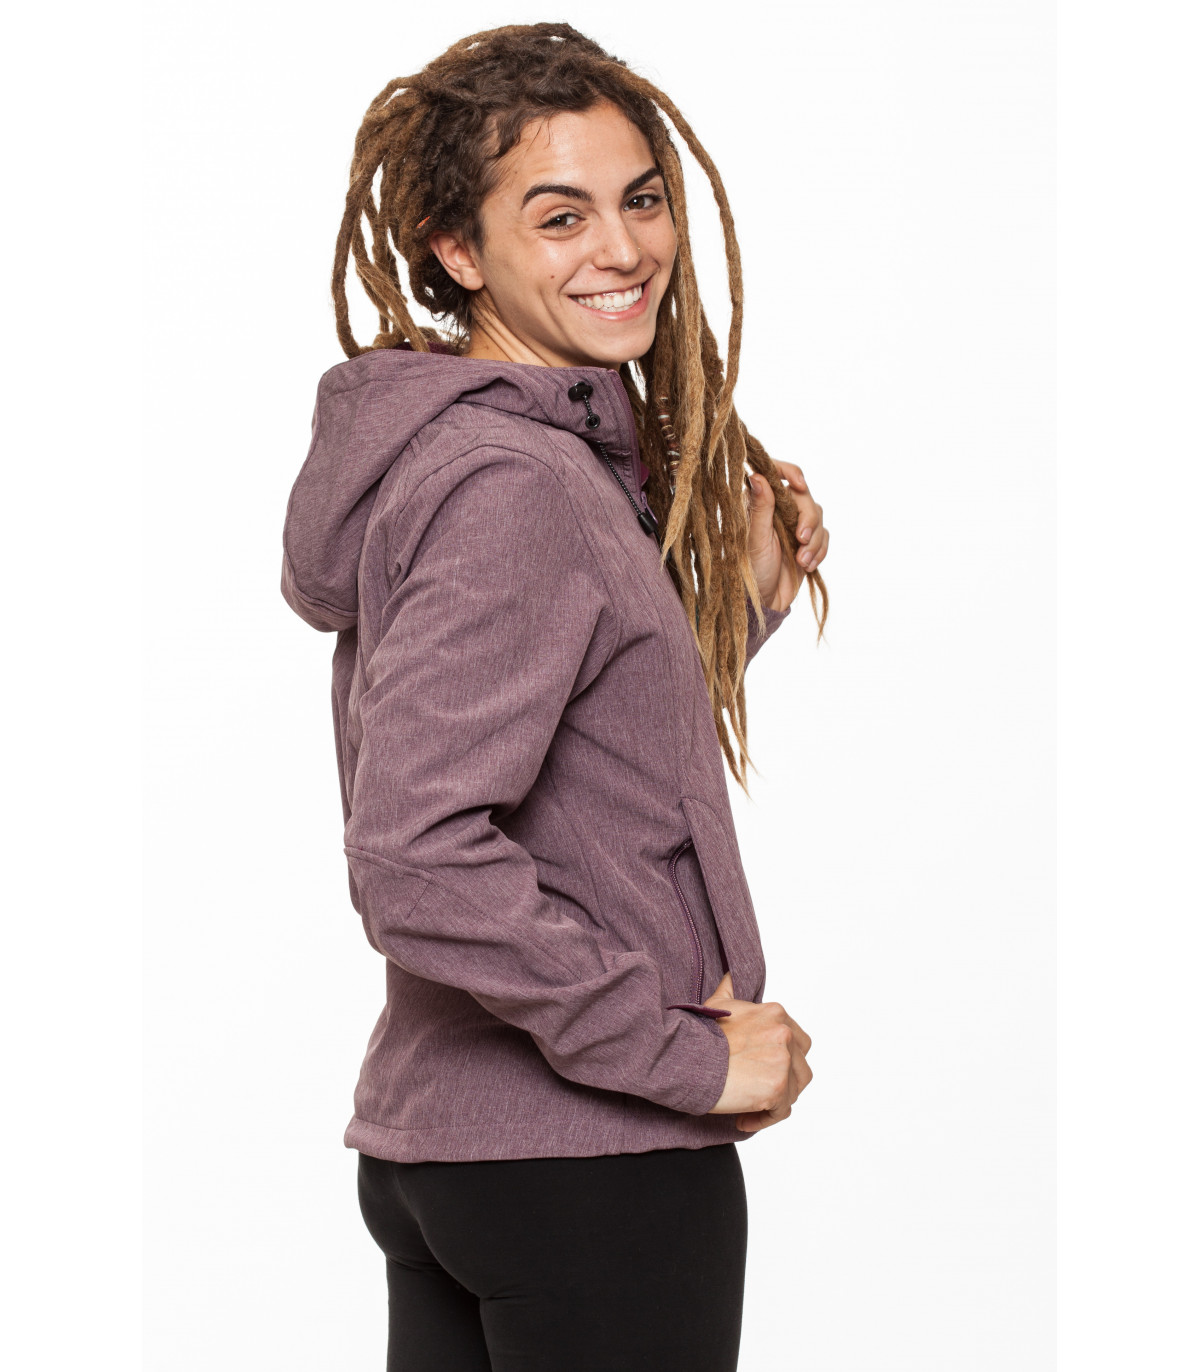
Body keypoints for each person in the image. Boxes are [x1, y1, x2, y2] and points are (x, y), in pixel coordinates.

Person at [280, 22, 829, 1372]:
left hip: (470, 1153)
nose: (624, 249)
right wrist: (683, 1057)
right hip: (589, 1166)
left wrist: (737, 607)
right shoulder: (516, 484)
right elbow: (416, 854)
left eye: (642, 199)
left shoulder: (495, 459)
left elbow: (580, 752)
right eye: (560, 215)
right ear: (458, 251)